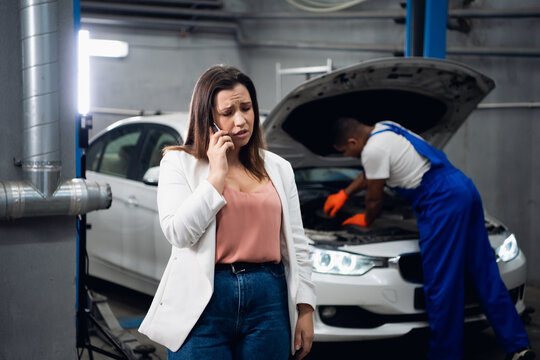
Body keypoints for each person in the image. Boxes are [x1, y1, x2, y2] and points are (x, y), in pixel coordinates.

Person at [138, 65, 316, 360]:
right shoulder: (179, 163)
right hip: (204, 299)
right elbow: (178, 233)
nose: (241, 120)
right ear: (208, 118)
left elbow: (297, 243)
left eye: (246, 108)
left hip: (268, 299)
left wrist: (305, 308)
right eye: (228, 112)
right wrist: (216, 178)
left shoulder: (278, 168)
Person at [324, 117, 535, 360]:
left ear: (352, 141)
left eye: (346, 151)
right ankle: (518, 348)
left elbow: (374, 200)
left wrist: (366, 219)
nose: (349, 156)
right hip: (463, 188)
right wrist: (344, 192)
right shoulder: (385, 127)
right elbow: (371, 172)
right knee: (485, 273)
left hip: (440, 200)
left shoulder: (372, 150)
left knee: (442, 283)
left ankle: (444, 355)